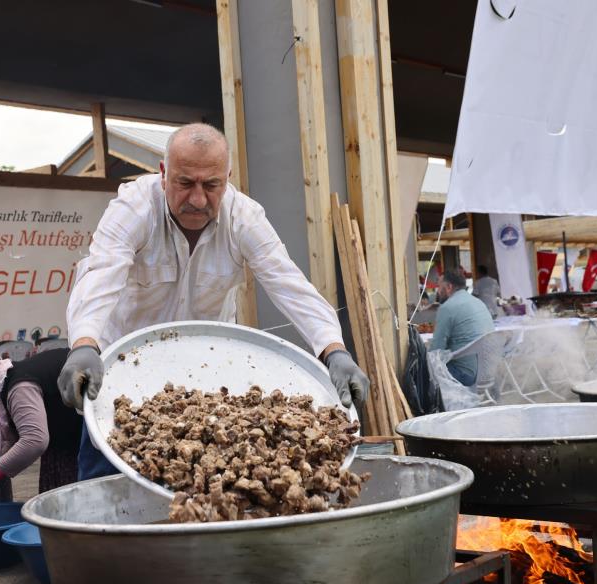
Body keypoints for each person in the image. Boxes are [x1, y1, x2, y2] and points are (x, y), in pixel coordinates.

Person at [57, 123, 369, 480]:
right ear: (163, 174)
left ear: (228, 178)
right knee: (106, 495)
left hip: (203, 382)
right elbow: (100, 276)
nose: (198, 199)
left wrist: (335, 351)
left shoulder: (244, 217)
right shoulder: (133, 208)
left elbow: (290, 284)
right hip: (123, 382)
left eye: (212, 185)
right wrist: (84, 345)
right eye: (185, 183)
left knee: (207, 492)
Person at [0, 348, 83, 502]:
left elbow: (35, 441)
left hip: (84, 438)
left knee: (76, 505)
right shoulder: (6, 383)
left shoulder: (19, 388)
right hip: (64, 441)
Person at [429, 270, 495, 386]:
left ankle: (430, 404)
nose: (438, 291)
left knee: (425, 366)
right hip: (489, 371)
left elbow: (436, 351)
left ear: (449, 287)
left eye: (439, 286)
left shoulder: (446, 308)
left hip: (467, 375)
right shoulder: (479, 303)